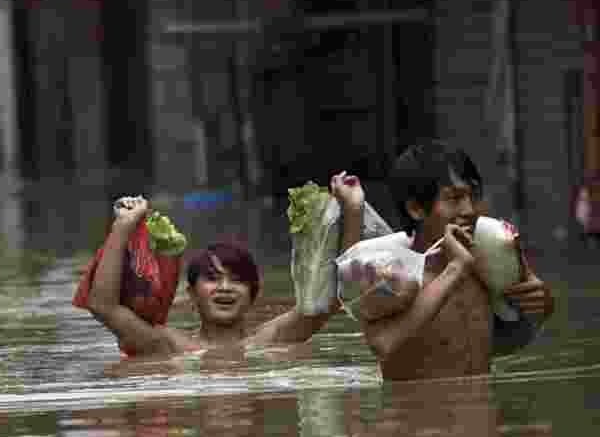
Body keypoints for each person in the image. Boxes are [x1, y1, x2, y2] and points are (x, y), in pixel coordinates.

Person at [85, 173, 365, 357]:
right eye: (212, 278)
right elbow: (103, 306)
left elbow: (333, 299)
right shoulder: (167, 346)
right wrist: (122, 227)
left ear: (254, 293)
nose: (225, 287)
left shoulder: (274, 339)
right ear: (192, 293)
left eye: (237, 279)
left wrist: (353, 209)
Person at [360, 140, 554, 382]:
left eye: (473, 196)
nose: (470, 210)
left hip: (482, 412)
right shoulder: (390, 274)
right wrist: (455, 269)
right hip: (414, 415)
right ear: (416, 209)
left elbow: (510, 338)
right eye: (454, 198)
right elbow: (383, 345)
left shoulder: (486, 264)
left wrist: (543, 303)